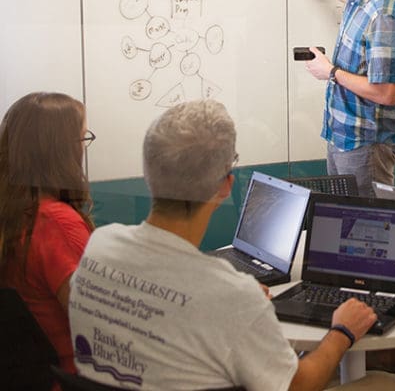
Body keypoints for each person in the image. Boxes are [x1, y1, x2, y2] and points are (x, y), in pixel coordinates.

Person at [67, 100, 378, 390]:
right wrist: (342, 332)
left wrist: (236, 300)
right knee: (382, 384)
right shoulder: (231, 295)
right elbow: (298, 384)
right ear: (226, 186)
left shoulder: (99, 246)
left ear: (147, 172)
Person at [278, 0, 395, 199]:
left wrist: (331, 72)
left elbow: (387, 93)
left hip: (366, 145)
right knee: (342, 222)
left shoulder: (384, 14)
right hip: (344, 136)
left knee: (367, 228)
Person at [0, 92, 95, 374]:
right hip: (72, 377)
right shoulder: (57, 224)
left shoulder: (16, 214)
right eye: (82, 139)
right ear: (61, 151)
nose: (84, 148)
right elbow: (98, 323)